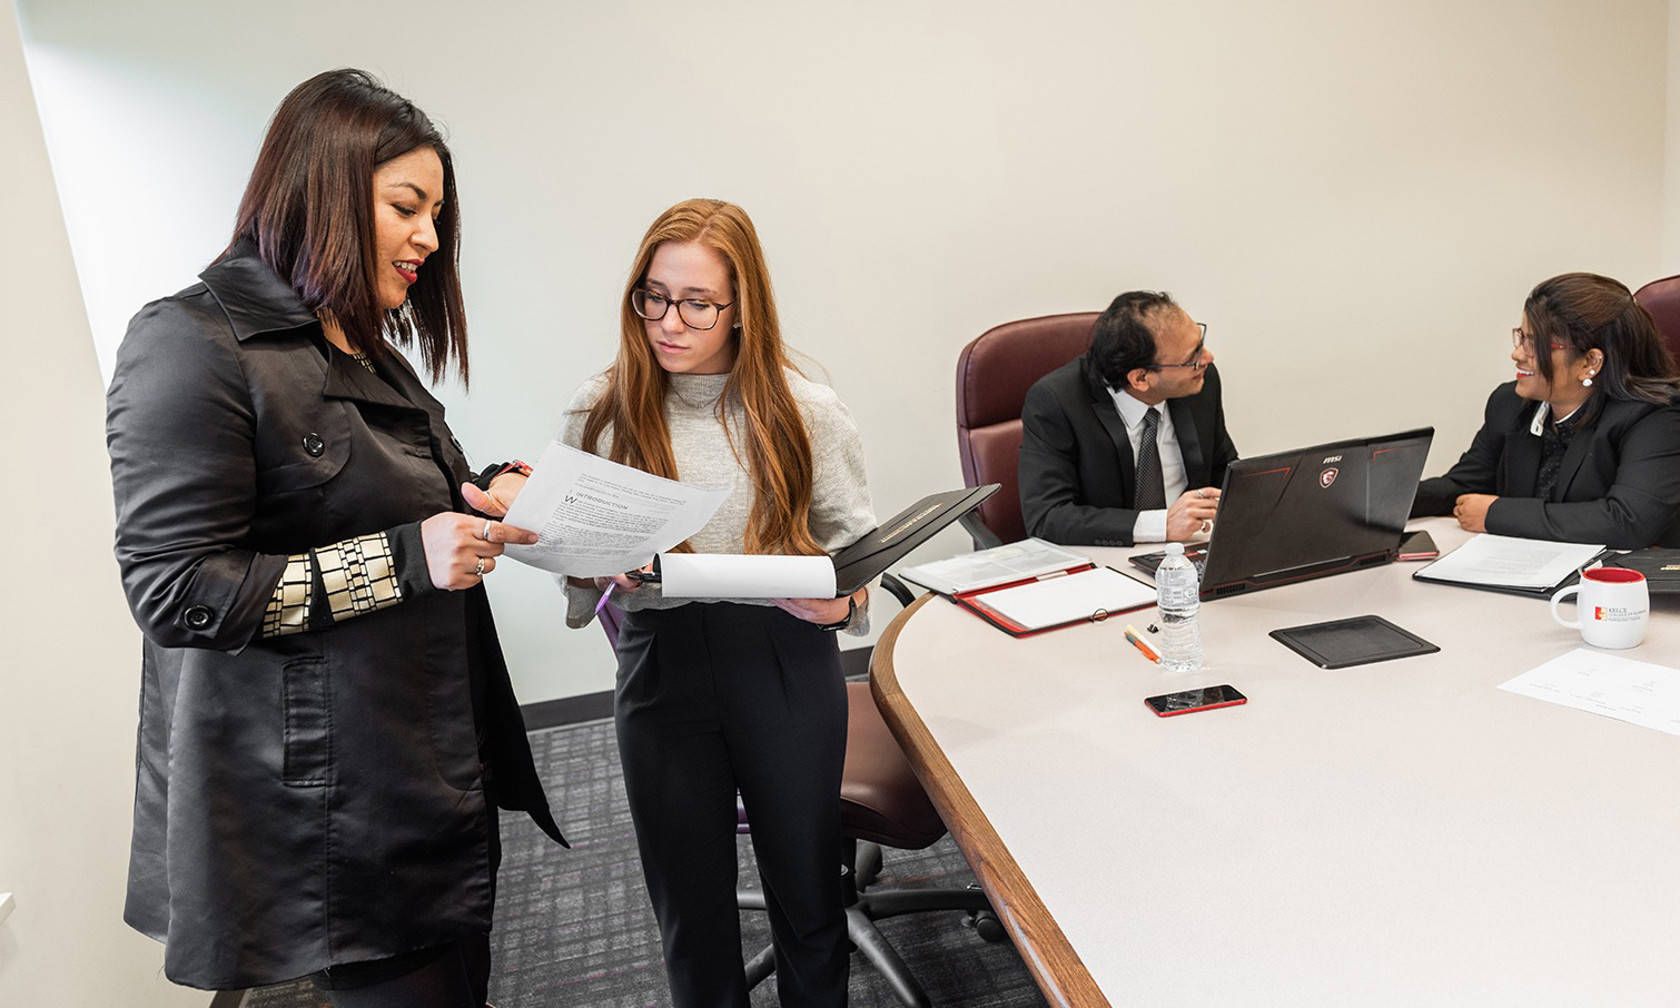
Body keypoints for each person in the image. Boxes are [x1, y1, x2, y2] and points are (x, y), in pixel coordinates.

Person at [105, 69, 565, 1006]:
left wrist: (483, 497)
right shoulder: (190, 344)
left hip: (424, 756)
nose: (430, 240)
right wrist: (407, 559)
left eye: (437, 214)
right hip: (334, 804)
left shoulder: (361, 347)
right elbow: (176, 590)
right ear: (323, 185)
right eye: (408, 207)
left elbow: (387, 502)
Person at [559, 198, 875, 1007]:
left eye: (698, 303)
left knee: (807, 896)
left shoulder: (805, 411)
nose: (670, 321)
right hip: (660, 664)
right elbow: (573, 566)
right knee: (688, 909)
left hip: (780, 657)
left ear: (742, 310)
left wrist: (838, 609)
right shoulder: (602, 409)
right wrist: (598, 568)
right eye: (653, 296)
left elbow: (858, 555)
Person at [1413, 272, 1680, 549]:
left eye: (1534, 344)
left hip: (1615, 586)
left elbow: (1627, 521)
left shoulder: (1655, 417)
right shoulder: (1509, 404)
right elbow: (1463, 486)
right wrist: (1376, 500)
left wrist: (1495, 514)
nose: (1517, 354)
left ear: (1590, 361)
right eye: (1521, 337)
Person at [1019, 290, 1239, 546]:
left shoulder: (1200, 382)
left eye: (1200, 344)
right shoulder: (1056, 401)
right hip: (1105, 558)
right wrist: (1162, 525)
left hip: (1190, 550)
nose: (1208, 359)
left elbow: (1223, 469)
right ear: (1141, 379)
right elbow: (1047, 517)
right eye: (1192, 358)